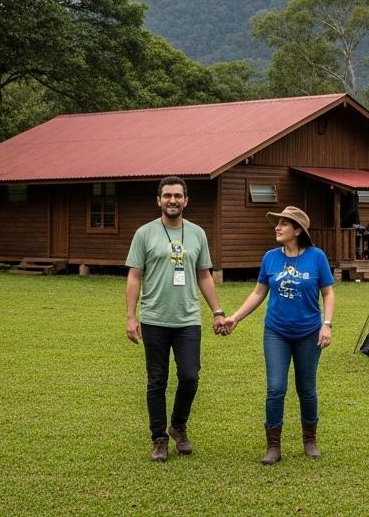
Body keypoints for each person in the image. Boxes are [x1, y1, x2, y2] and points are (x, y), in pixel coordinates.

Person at [220, 206, 335, 465]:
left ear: (297, 230)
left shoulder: (316, 257)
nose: (277, 227)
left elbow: (327, 292)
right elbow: (259, 293)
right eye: (278, 223)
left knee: (306, 388)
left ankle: (310, 441)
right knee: (275, 388)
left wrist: (326, 324)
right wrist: (235, 317)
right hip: (276, 332)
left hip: (308, 333)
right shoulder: (270, 257)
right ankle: (273, 446)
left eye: (284, 224)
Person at [125, 176, 227, 463]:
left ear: (186, 200)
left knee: (190, 376)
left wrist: (217, 311)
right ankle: (159, 438)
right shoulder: (144, 234)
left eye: (177, 196)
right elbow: (134, 276)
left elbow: (204, 274)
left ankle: (178, 426)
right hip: (155, 319)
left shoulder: (197, 234)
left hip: (188, 320)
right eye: (167, 195)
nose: (172, 200)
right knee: (157, 380)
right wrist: (131, 317)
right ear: (159, 200)